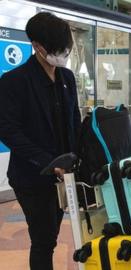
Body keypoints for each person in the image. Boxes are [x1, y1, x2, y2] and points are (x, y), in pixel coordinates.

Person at [0, 13, 80, 270]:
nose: (63, 54)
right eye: (58, 49)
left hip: (66, 173)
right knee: (43, 240)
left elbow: (74, 121)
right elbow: (8, 131)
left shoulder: (67, 79)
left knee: (54, 234)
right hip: (32, 176)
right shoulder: (14, 81)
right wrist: (47, 162)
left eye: (66, 48)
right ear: (37, 46)